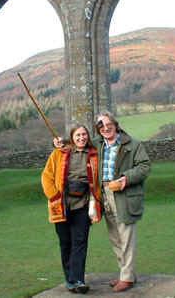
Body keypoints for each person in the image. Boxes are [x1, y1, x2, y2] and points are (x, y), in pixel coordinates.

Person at [93, 110, 150, 293]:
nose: (106, 128)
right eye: (101, 125)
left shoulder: (133, 144)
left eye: (109, 124)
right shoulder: (98, 145)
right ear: (98, 129)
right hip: (105, 194)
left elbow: (145, 166)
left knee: (126, 237)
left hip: (124, 194)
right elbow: (75, 143)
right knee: (115, 238)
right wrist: (59, 143)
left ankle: (126, 277)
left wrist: (126, 178)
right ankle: (126, 274)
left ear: (116, 125)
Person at [41, 124, 101, 294]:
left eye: (84, 135)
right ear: (72, 138)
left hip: (83, 205)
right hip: (61, 205)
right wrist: (54, 196)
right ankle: (70, 280)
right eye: (78, 135)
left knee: (80, 242)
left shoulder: (94, 154)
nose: (82, 138)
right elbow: (46, 176)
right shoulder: (59, 153)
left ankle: (78, 280)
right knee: (66, 243)